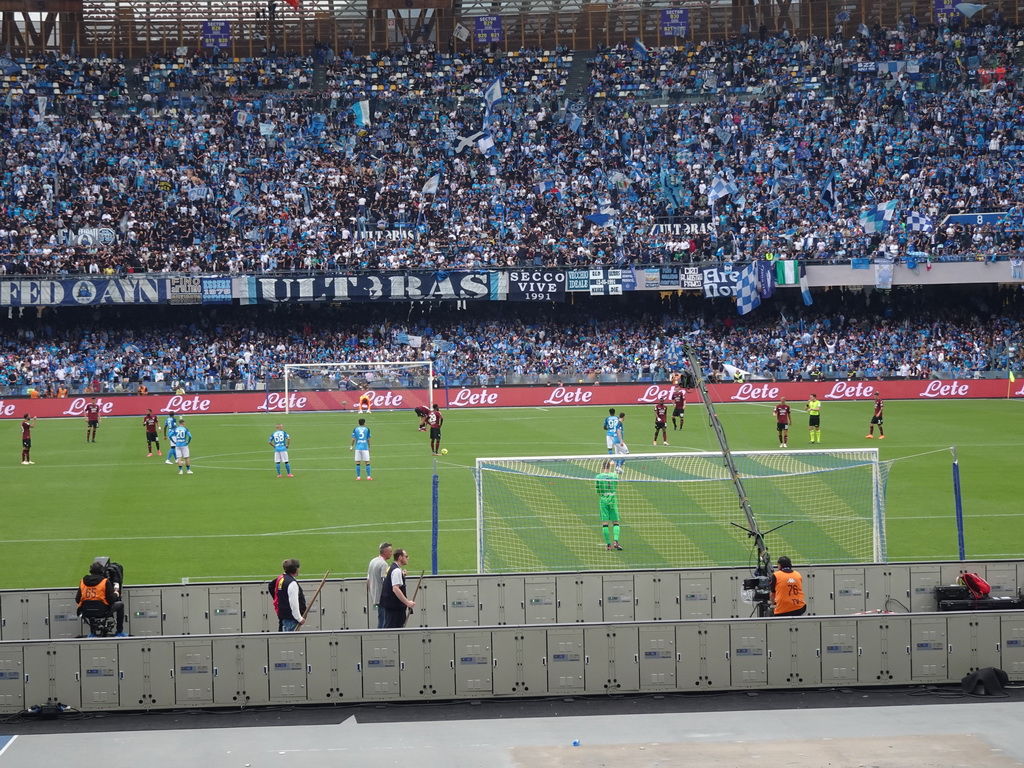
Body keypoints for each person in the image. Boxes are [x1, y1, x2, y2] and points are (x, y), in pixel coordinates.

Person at [76, 560, 126, 637]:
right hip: (103, 611)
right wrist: (116, 593)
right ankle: (119, 631)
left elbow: (77, 599)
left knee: (90, 605)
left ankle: (93, 633)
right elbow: (111, 600)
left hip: (86, 611)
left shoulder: (82, 581)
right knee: (120, 605)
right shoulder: (105, 582)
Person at [379, 548, 415, 628]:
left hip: (390, 606)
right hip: (395, 607)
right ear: (400, 557)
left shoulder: (391, 568)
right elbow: (395, 588)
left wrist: (402, 575)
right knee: (394, 630)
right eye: (406, 556)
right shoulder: (396, 571)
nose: (407, 558)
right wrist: (407, 603)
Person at [268, 558, 306, 632]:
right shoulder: (292, 583)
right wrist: (299, 618)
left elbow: (271, 586)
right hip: (290, 619)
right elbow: (294, 604)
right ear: (295, 570)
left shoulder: (281, 578)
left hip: (283, 616)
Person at [595, 459, 623, 550]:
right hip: (613, 499)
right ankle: (616, 541)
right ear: (609, 466)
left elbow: (597, 490)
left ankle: (608, 544)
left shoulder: (598, 477)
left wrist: (603, 495)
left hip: (603, 500)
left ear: (603, 467)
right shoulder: (614, 475)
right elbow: (615, 485)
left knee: (605, 523)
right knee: (615, 522)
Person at [366, 542, 393, 628]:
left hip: (375, 596)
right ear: (385, 552)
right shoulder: (383, 564)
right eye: (390, 551)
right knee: (384, 619)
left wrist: (372, 593)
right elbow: (384, 581)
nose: (391, 553)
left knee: (381, 617)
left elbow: (368, 579)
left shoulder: (372, 561)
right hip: (382, 597)